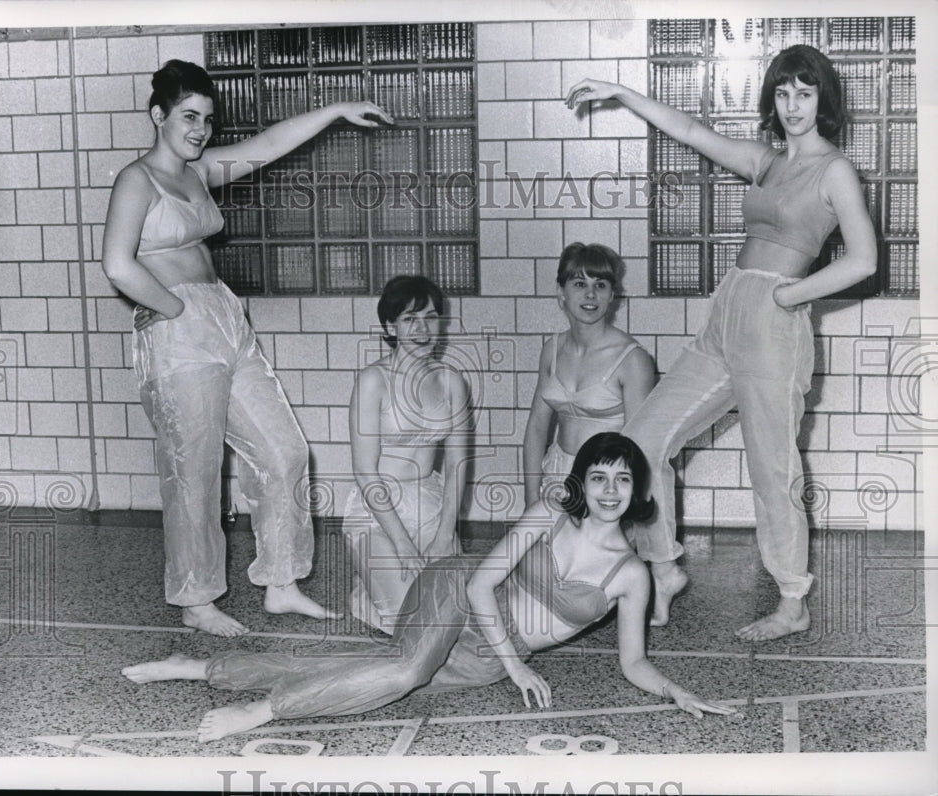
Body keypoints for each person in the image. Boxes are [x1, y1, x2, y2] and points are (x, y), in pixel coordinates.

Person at [122, 432, 737, 743]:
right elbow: (482, 584)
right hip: (457, 592)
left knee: (359, 662)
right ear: (580, 482)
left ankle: (199, 668)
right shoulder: (551, 513)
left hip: (490, 657)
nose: (608, 490)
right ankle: (259, 712)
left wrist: (676, 692)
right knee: (403, 674)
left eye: (622, 480)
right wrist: (519, 670)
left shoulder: (632, 575)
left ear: (637, 491)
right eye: (597, 477)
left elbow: (633, 663)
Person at [565, 44, 877, 641]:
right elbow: (688, 129)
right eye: (783, 93)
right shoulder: (767, 161)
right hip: (727, 313)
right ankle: (663, 564)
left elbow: (863, 259)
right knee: (641, 440)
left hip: (774, 325)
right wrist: (622, 93)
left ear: (823, 100)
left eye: (804, 94)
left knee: (773, 468)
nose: (792, 106)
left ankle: (792, 600)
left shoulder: (834, 169)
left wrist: (789, 296)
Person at [102, 59, 394, 637]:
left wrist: (336, 111)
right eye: (188, 116)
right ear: (158, 115)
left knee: (284, 449)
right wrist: (175, 310)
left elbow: (268, 144)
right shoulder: (137, 180)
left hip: (225, 317)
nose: (200, 129)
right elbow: (116, 263)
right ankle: (197, 599)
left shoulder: (200, 171)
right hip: (178, 329)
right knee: (194, 472)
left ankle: (282, 583)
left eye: (207, 119)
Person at [343, 276, 470, 632]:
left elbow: (458, 464)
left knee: (453, 618)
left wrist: (446, 532)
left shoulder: (451, 381)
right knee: (412, 623)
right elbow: (365, 471)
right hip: (378, 511)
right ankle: (367, 593)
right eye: (409, 319)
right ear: (390, 326)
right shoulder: (373, 381)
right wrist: (401, 544)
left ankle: (373, 584)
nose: (422, 329)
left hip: (429, 503)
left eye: (430, 317)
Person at [523, 242, 656, 510]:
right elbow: (536, 429)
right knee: (540, 552)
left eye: (601, 285)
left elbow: (642, 448)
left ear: (612, 296)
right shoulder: (551, 350)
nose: (591, 295)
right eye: (579, 284)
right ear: (561, 292)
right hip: (556, 478)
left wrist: (627, 508)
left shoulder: (632, 359)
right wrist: (531, 498)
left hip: (608, 486)